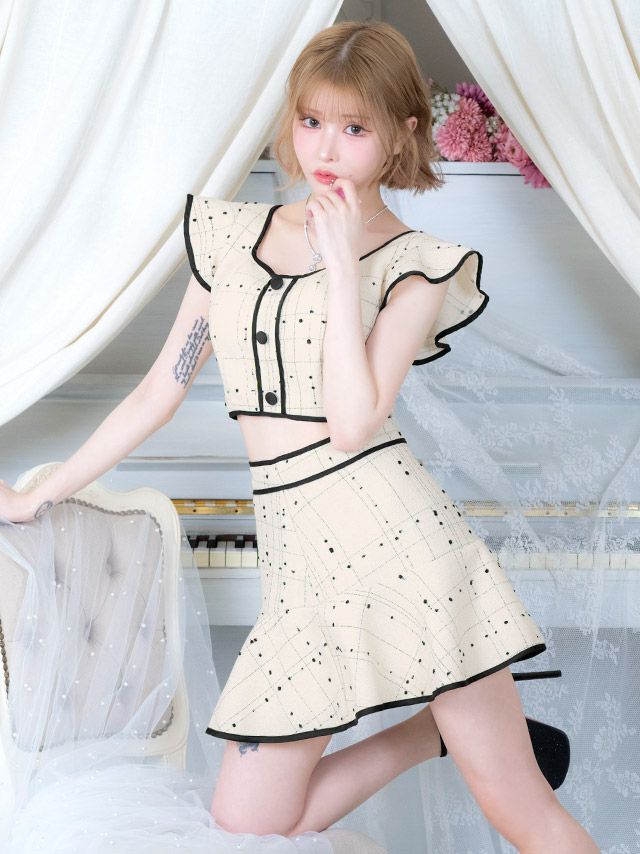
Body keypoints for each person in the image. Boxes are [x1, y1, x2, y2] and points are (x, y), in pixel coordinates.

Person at [0, 19, 599, 853]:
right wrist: (39, 496)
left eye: (354, 128)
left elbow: (353, 424)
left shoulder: (417, 265)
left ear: (402, 136)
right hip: (300, 564)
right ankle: (423, 735)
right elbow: (159, 392)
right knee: (246, 823)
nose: (325, 147)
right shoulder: (228, 239)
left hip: (399, 546)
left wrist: (345, 266)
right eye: (312, 120)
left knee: (520, 812)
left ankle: (444, 732)